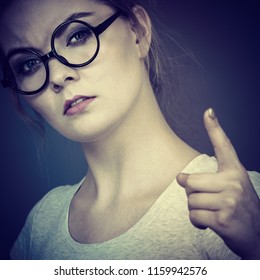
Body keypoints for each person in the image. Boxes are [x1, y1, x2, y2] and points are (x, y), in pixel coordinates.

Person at [0, 0, 259, 260]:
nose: (56, 76)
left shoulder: (242, 204)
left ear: (138, 31)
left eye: (78, 36)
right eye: (28, 65)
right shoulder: (42, 223)